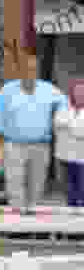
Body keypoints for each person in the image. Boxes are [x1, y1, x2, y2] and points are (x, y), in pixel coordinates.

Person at [0, 51, 69, 214]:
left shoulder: (49, 90)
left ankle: (34, 223)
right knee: (14, 183)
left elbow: (65, 104)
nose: (30, 72)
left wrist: (59, 121)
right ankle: (17, 222)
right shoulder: (7, 90)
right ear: (20, 71)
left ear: (37, 71)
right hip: (14, 145)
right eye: (27, 69)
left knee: (37, 185)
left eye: (33, 69)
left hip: (41, 145)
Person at [54, 80, 84, 210]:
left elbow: (79, 132)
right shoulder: (64, 108)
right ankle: (70, 221)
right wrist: (73, 127)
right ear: (72, 93)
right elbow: (56, 124)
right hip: (65, 155)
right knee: (69, 190)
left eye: (82, 91)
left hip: (82, 157)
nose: (80, 94)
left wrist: (68, 126)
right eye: (77, 91)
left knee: (82, 190)